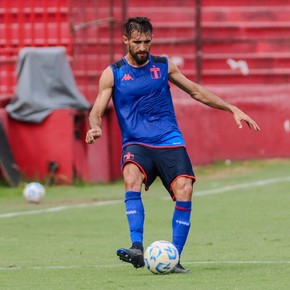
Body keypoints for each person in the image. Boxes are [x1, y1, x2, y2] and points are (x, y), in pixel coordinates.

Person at [85, 17, 260, 274]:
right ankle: (136, 246)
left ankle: (175, 258)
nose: (143, 47)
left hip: (169, 140)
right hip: (136, 142)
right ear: (125, 41)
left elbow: (195, 91)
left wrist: (231, 108)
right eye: (137, 42)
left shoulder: (164, 66)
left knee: (185, 188)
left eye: (147, 41)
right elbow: (97, 109)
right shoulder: (113, 73)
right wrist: (95, 126)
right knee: (131, 176)